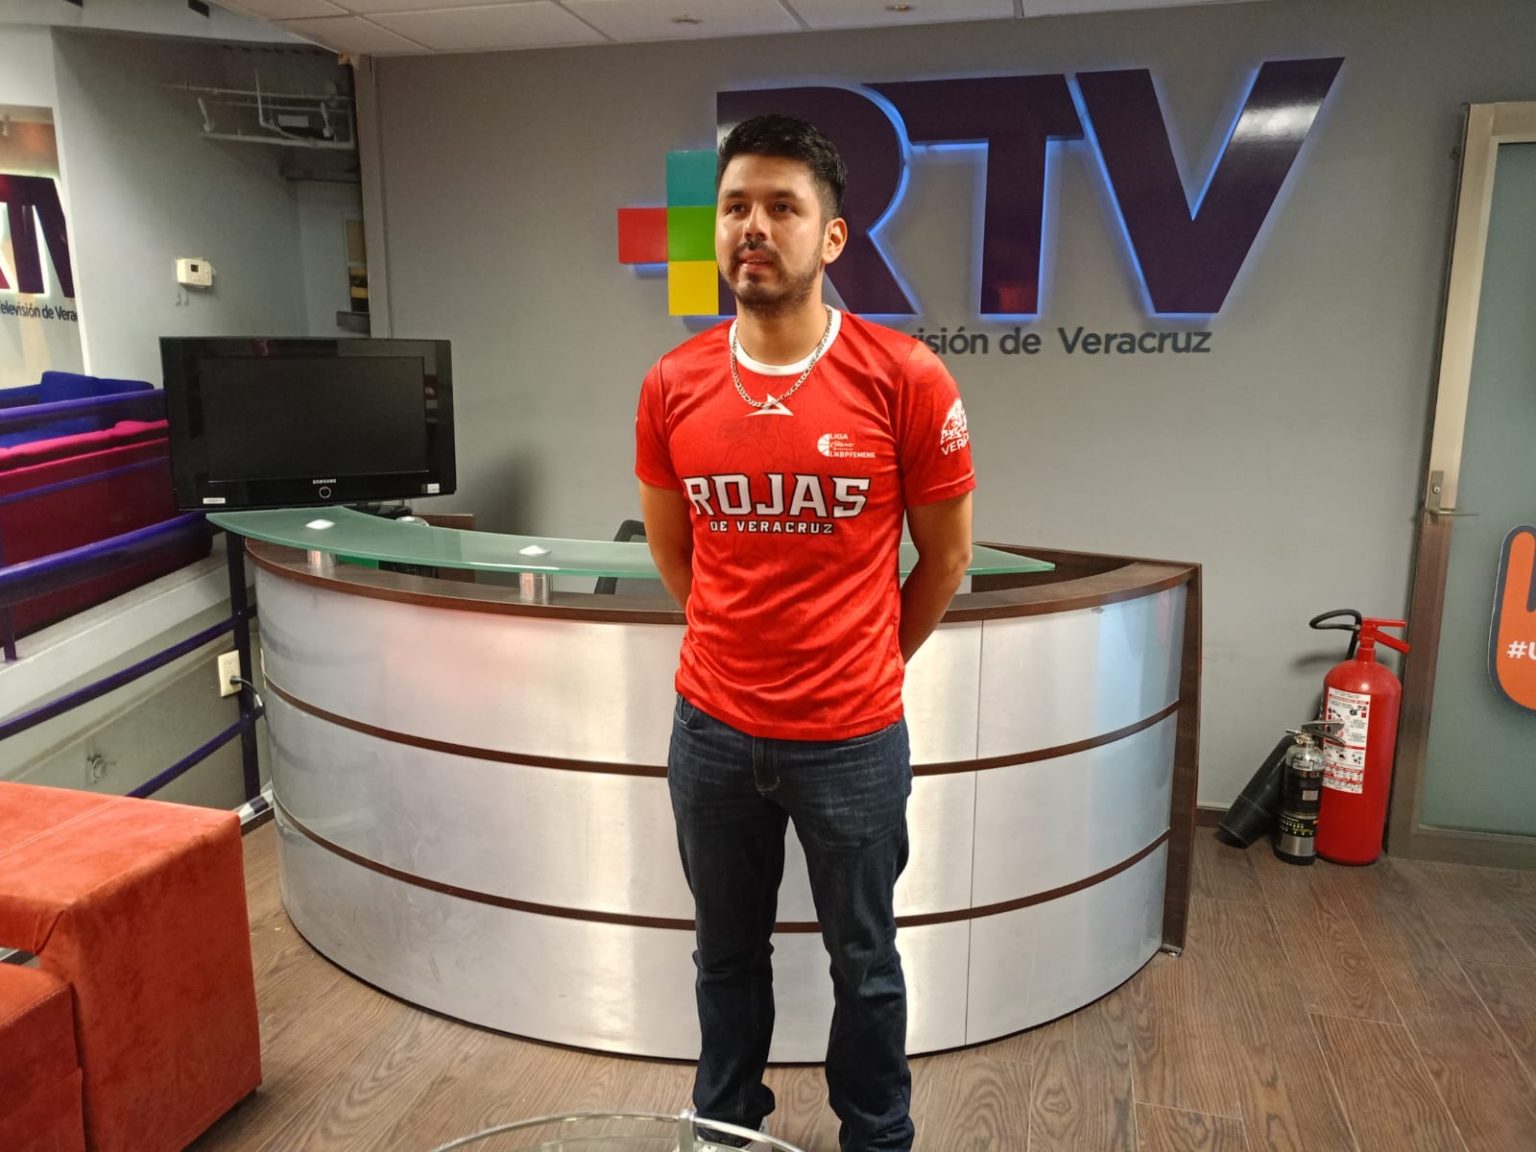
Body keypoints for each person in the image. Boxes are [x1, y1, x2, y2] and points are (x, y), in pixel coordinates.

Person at [634, 114, 975, 1152]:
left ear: (830, 237)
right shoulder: (672, 383)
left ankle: (877, 1136)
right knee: (723, 956)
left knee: (864, 963)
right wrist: (736, 648)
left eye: (782, 207)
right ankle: (726, 1128)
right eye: (736, 206)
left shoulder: (905, 375)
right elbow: (675, 552)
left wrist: (864, 660)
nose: (754, 226)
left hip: (852, 738)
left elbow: (946, 558)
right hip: (712, 732)